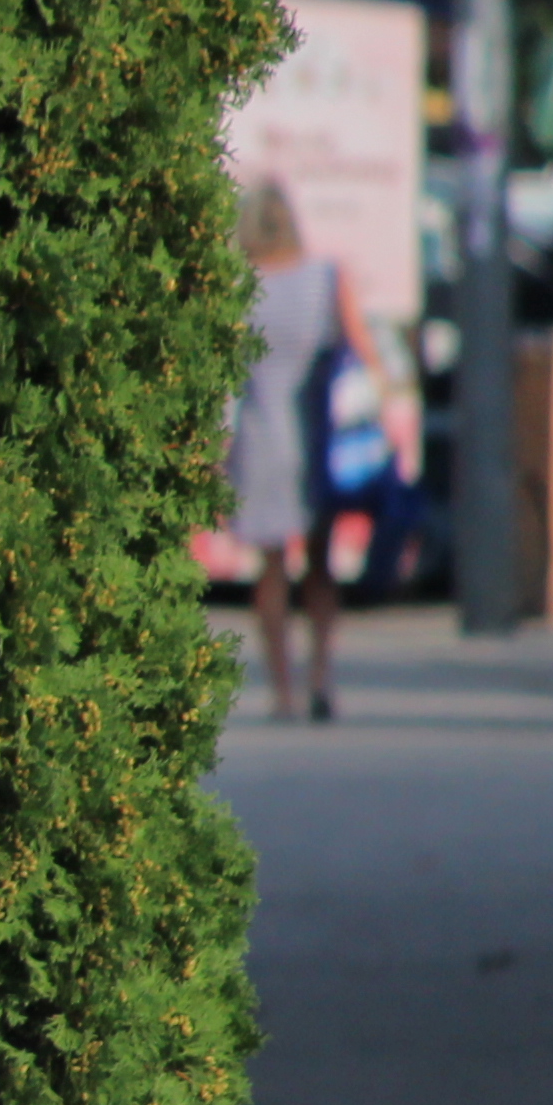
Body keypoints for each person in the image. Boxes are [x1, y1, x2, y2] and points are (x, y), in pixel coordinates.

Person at [224, 180, 390, 722]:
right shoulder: (326, 278)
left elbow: (226, 381)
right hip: (319, 438)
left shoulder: (238, 288)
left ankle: (283, 691)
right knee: (320, 565)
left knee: (270, 568)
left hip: (261, 441)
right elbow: (364, 354)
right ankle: (321, 675)